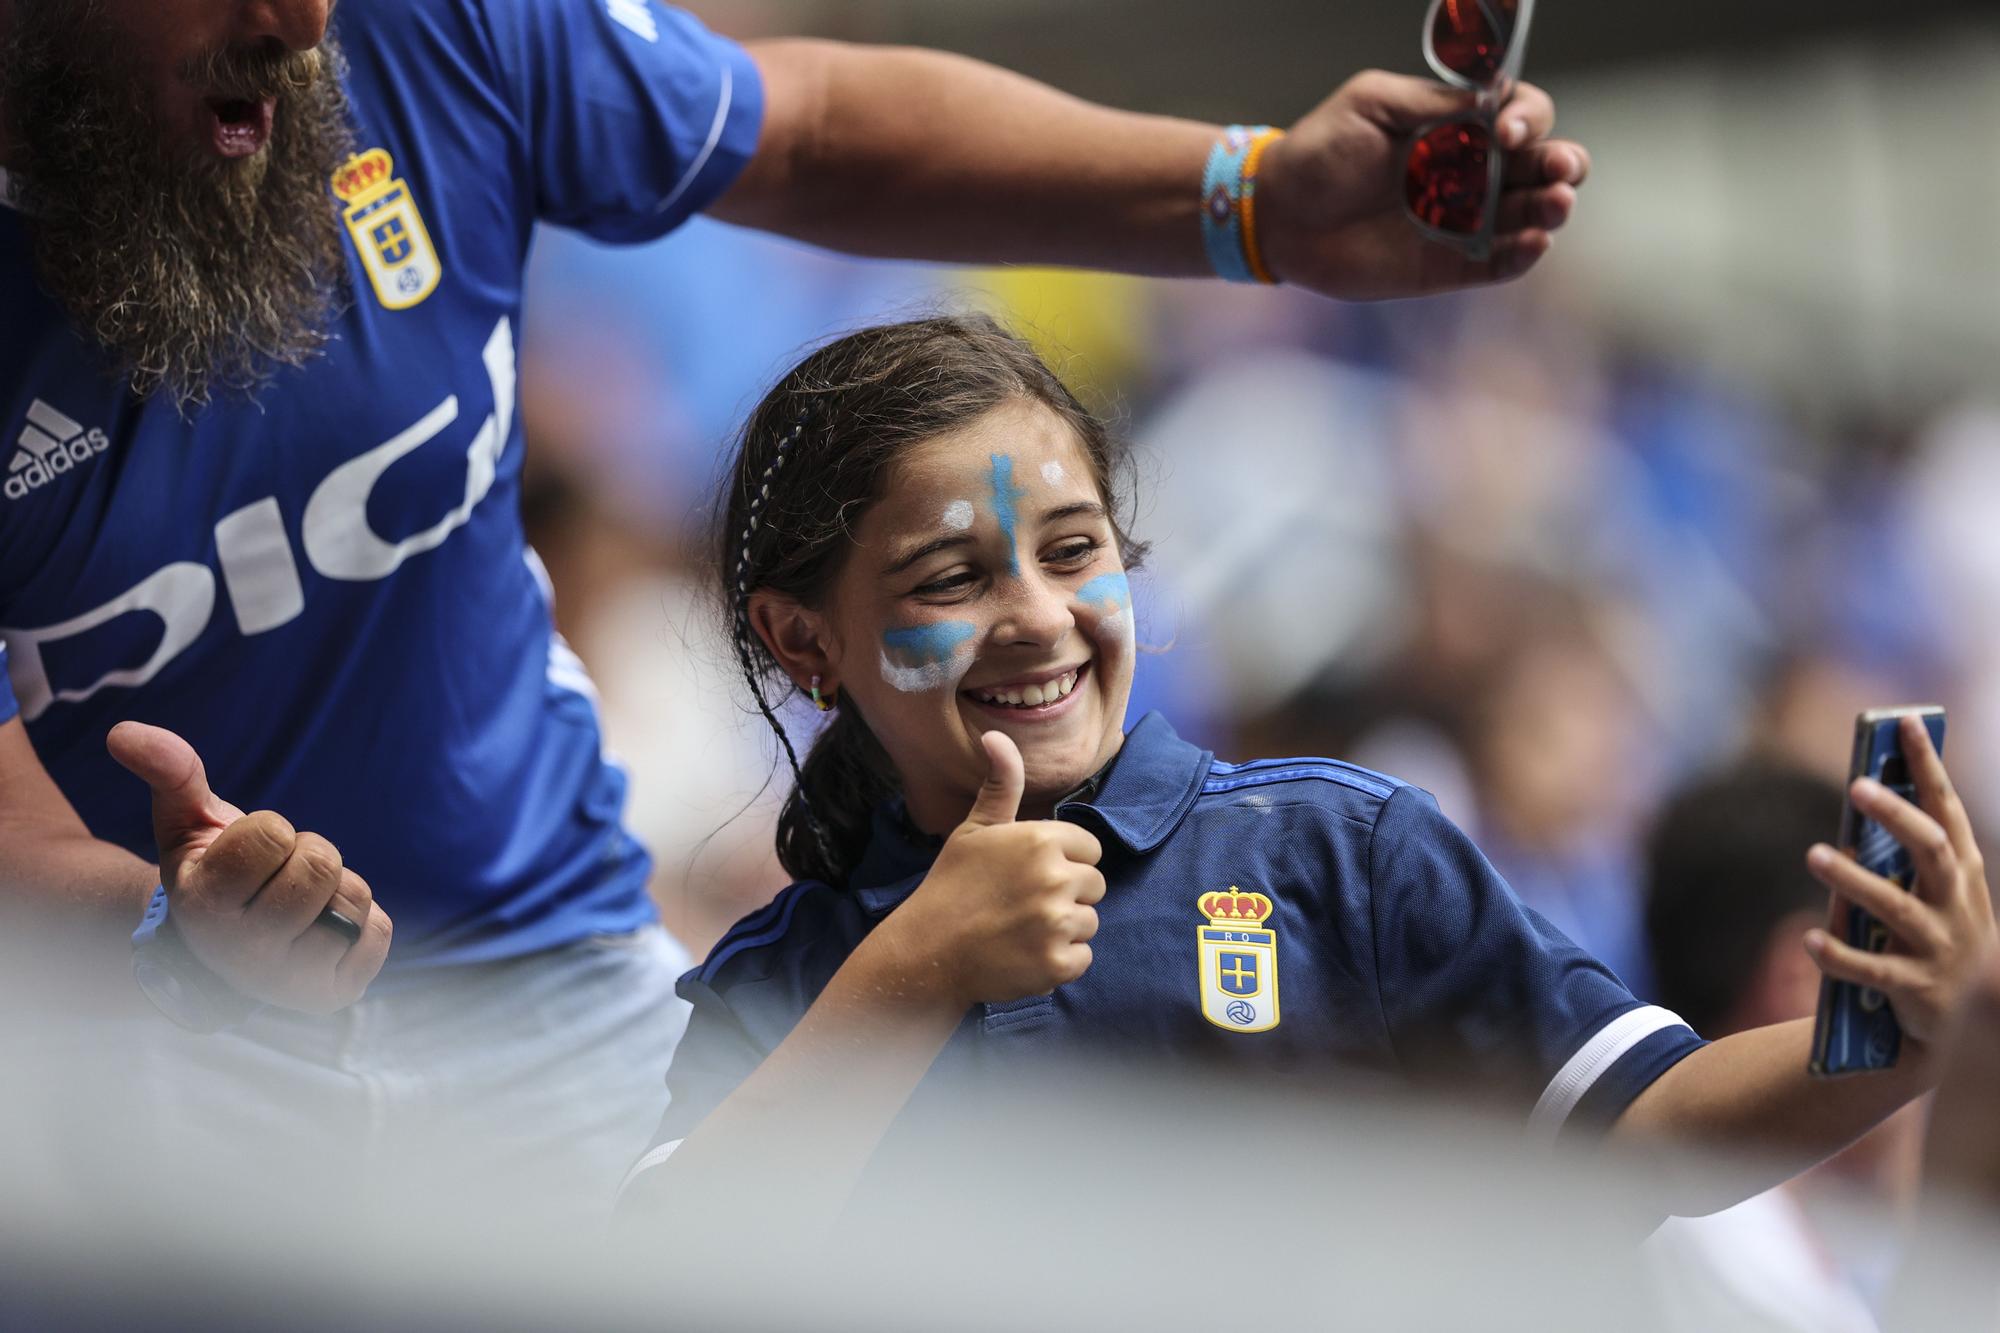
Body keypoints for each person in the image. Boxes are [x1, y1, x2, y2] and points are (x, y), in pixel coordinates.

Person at [0, 0, 1595, 1207]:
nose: (295, 27)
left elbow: (816, 126)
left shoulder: (434, 30)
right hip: (142, 1030)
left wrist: (1255, 204)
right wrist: (177, 919)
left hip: (547, 971)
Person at [614, 315, 1998, 1237]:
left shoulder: (1337, 849)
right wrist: (912, 971)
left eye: (1076, 549)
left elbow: (1638, 1128)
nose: (1039, 615)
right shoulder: (778, 981)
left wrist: (1887, 1041)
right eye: (951, 578)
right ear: (805, 643)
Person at [1638, 762, 1925, 1333]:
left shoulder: (1822, 1237)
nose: (1933, 1011)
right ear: (1809, 974)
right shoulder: (1752, 1289)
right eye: (1907, 962)